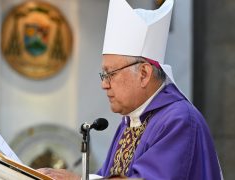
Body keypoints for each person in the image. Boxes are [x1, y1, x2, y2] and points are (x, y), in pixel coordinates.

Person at [39, 0, 223, 179]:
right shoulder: (131, 121)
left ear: (144, 73)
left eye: (111, 73)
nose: (104, 84)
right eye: (104, 75)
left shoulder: (178, 120)